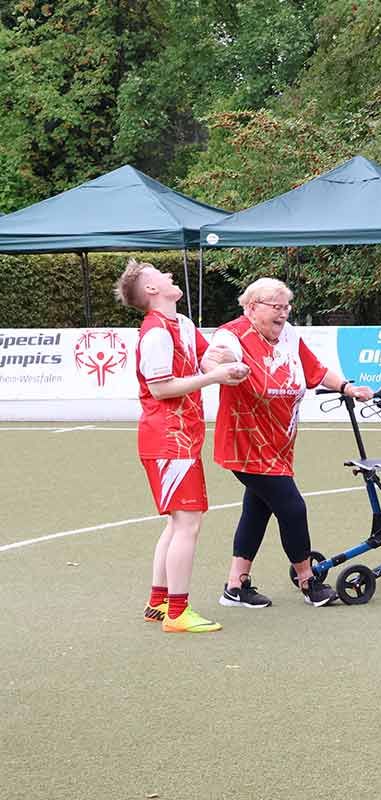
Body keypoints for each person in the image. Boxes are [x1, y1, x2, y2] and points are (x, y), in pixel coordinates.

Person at [201, 278, 374, 607]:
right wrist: (221, 367)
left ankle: (235, 587)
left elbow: (315, 369)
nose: (283, 313)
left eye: (286, 307)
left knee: (257, 508)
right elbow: (216, 357)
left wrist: (347, 387)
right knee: (292, 508)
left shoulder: (288, 335)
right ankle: (309, 582)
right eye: (276, 307)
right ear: (252, 307)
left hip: (279, 444)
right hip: (246, 444)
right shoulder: (233, 334)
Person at [114, 258, 249, 633]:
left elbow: (206, 358)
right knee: (188, 523)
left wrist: (224, 360)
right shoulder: (156, 333)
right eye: (160, 274)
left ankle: (159, 603)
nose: (170, 274)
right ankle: (177, 612)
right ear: (151, 289)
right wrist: (215, 377)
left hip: (182, 438)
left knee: (178, 523)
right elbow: (160, 388)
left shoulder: (182, 324)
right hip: (167, 439)